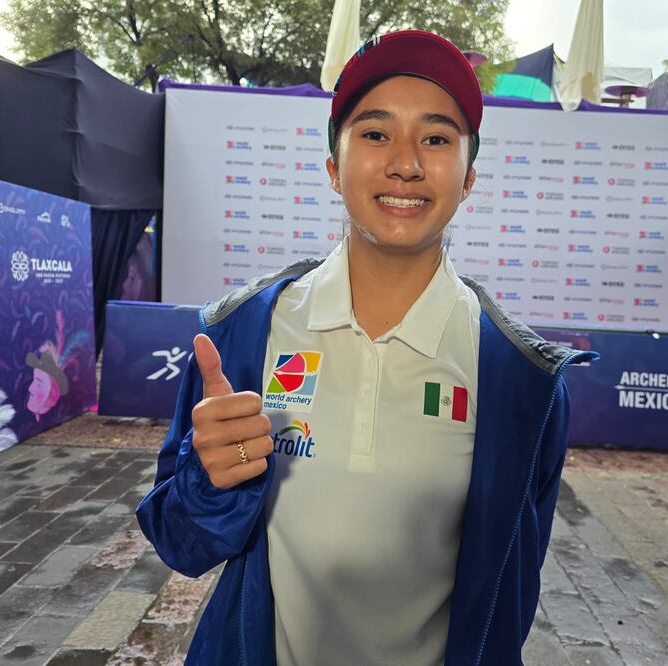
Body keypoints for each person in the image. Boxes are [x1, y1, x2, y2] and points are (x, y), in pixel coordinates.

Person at [137, 30, 594, 665]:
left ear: (468, 178)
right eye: (375, 133)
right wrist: (212, 483)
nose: (405, 162)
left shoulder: (521, 377)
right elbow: (180, 544)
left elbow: (509, 597)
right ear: (334, 167)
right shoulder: (243, 333)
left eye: (437, 138)